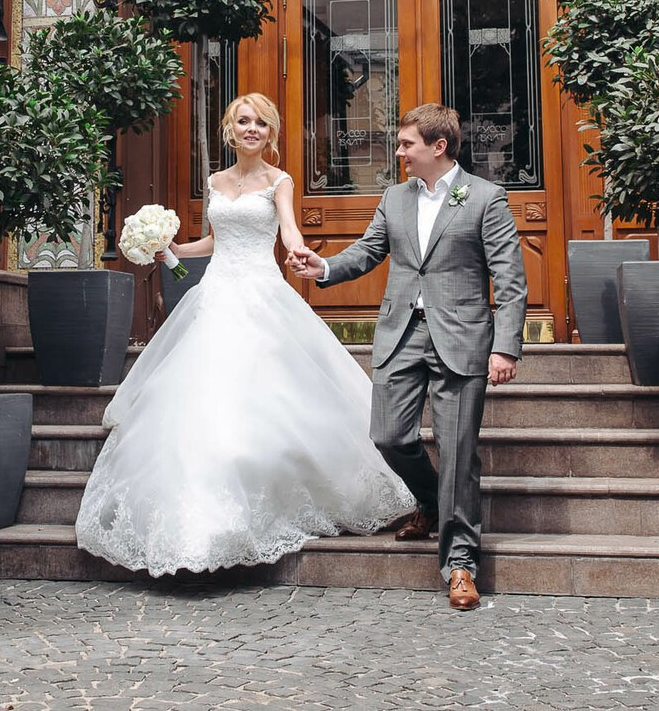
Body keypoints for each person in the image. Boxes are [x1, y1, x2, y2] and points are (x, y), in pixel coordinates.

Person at [73, 93, 414, 576]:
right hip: (214, 295)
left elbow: (288, 232)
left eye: (260, 123)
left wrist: (302, 255)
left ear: (270, 134)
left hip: (261, 293)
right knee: (203, 397)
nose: (251, 129)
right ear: (230, 130)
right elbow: (215, 240)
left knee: (267, 395)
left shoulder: (279, 181)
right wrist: (169, 250)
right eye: (243, 121)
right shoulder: (214, 182)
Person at [289, 103, 527, 612]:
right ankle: (431, 499)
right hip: (401, 334)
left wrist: (506, 346)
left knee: (459, 448)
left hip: (462, 338)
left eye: (405, 144)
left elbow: (510, 280)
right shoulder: (395, 198)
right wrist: (324, 265)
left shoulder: (486, 198)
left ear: (438, 147)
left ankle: (460, 564)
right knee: (388, 435)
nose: (398, 153)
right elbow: (370, 251)